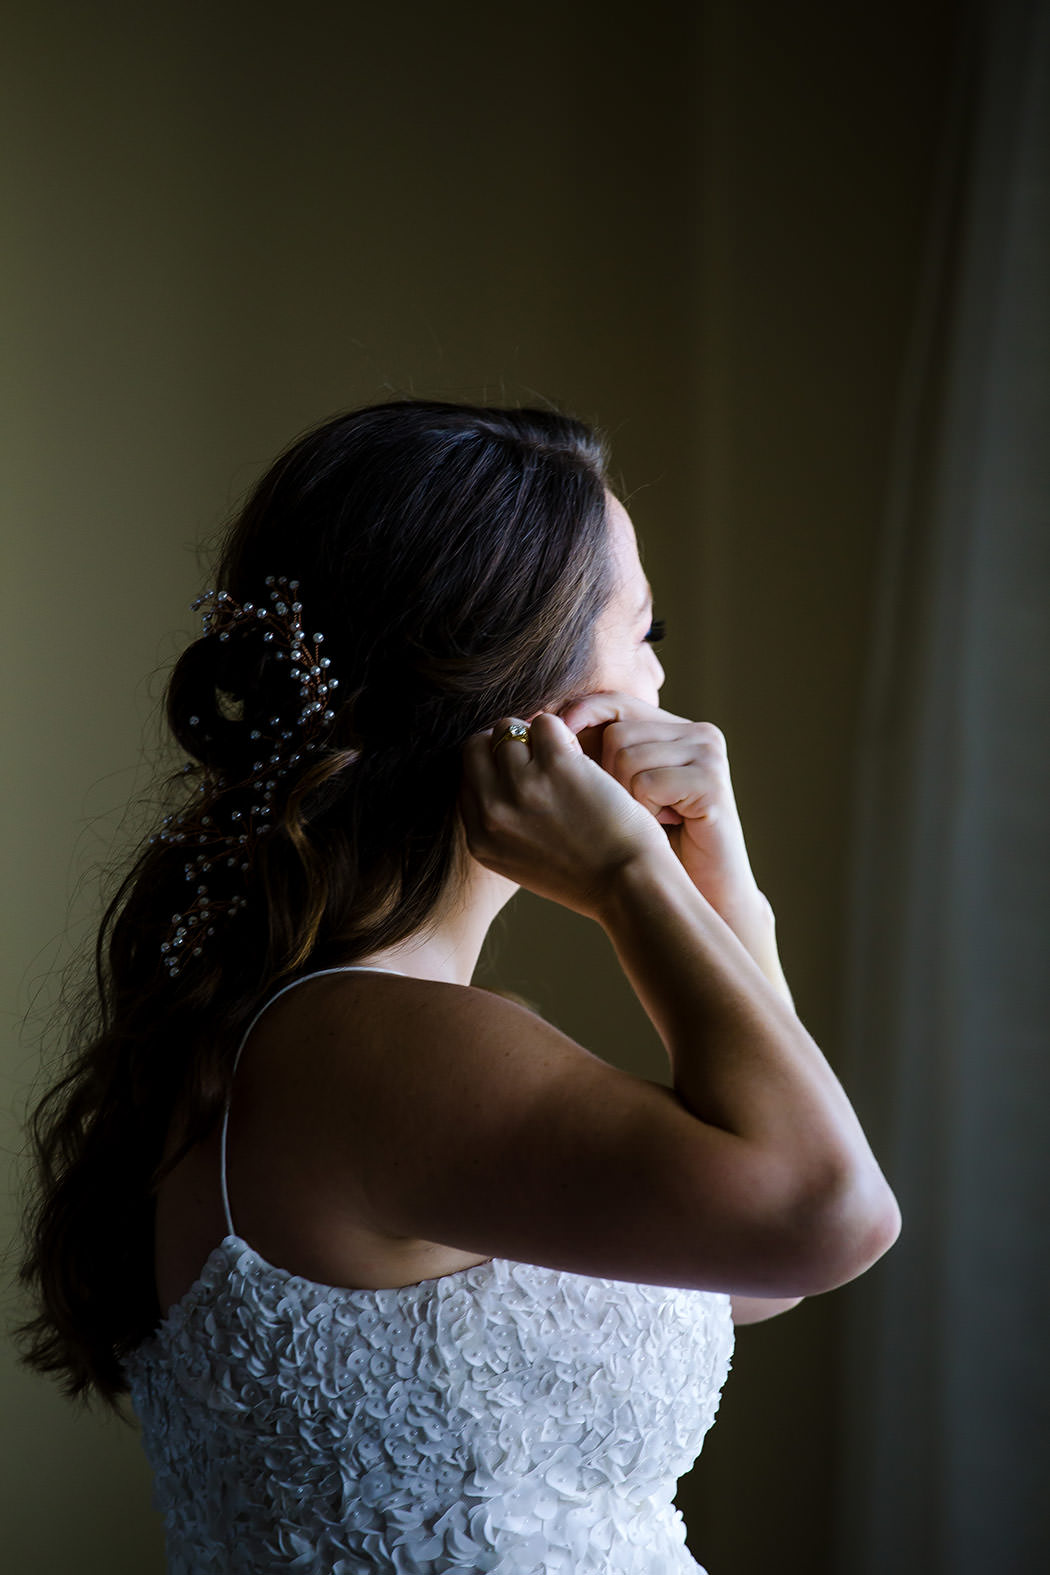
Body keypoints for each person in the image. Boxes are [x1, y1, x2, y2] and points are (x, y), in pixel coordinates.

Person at [17, 398, 901, 1573]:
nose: (664, 679)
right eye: (645, 631)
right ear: (536, 694)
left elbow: (738, 1271)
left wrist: (723, 892)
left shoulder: (340, 1033)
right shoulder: (377, 1046)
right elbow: (824, 1218)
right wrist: (636, 877)